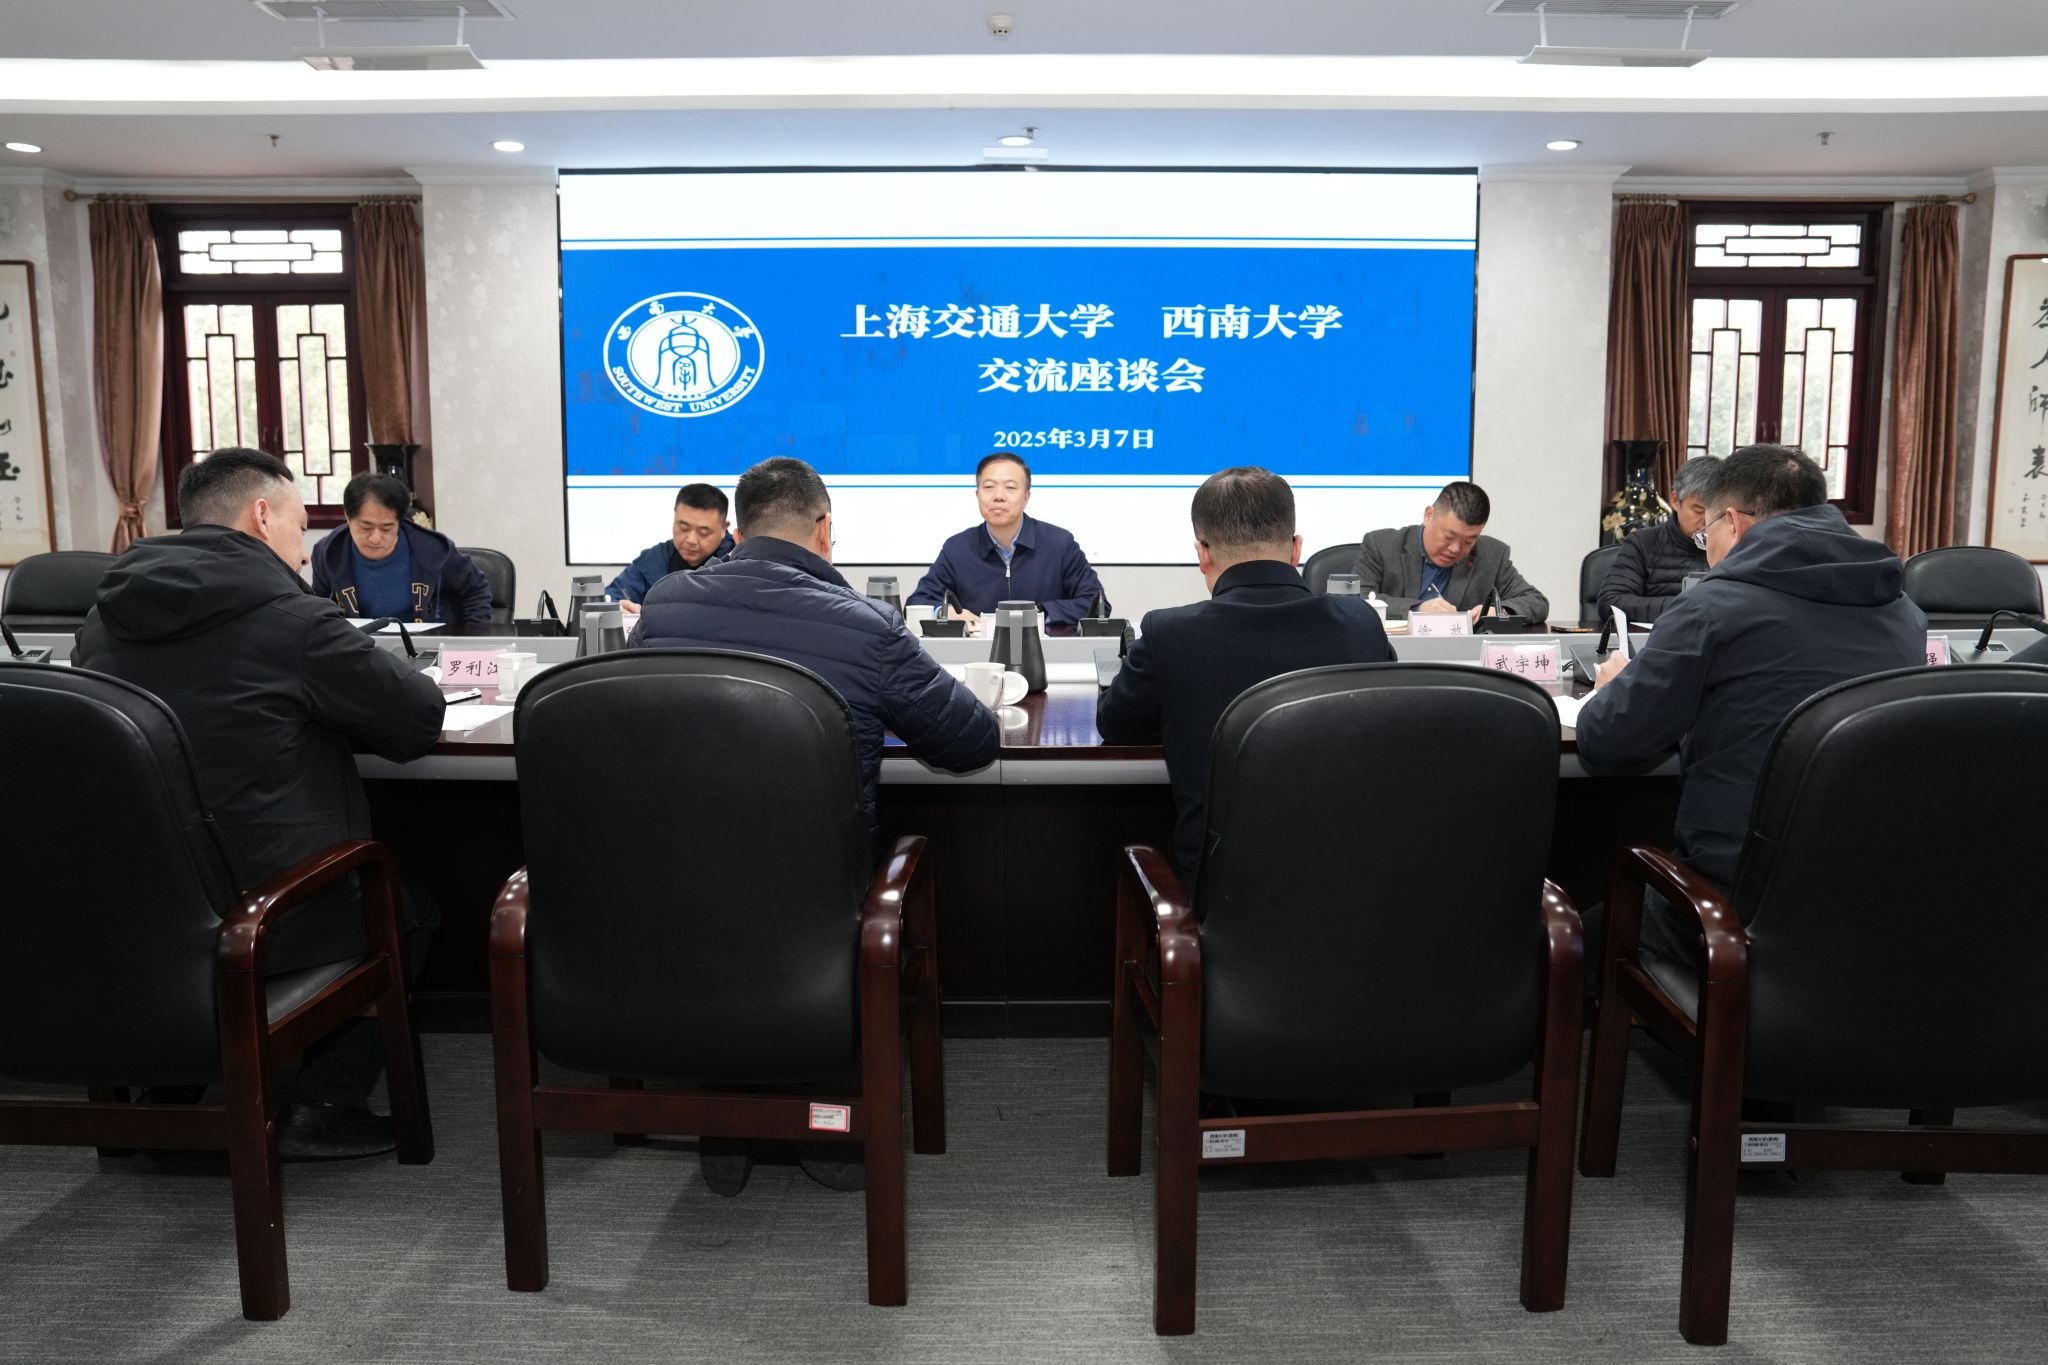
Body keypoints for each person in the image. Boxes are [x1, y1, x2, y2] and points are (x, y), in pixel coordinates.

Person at [632, 456, 1000, 1197]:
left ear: (736, 534)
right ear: (825, 529)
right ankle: (824, 1109)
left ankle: (726, 1112)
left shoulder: (665, 604)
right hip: (821, 905)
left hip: (685, 893)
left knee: (726, 889)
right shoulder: (866, 625)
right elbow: (970, 742)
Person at [72, 447, 446, 1160]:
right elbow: (415, 721)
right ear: (262, 515)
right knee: (410, 908)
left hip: (143, 907)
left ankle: (168, 1093)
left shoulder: (101, 621)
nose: (304, 553)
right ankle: (323, 1102)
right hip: (275, 910)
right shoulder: (293, 620)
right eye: (301, 528)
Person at [1573, 443, 1926, 970]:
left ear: (1733, 523)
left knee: (1568, 940)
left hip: (1733, 906)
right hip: (1865, 898)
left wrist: (1613, 687)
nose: (1705, 549)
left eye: (1706, 533)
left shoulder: (1712, 608)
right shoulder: (1903, 611)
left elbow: (1606, 740)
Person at [1097, 467, 1395, 893]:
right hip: (1355, 893)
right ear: (1296, 549)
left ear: (1202, 553)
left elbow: (1117, 724)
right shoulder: (1360, 623)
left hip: (1224, 902)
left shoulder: (1169, 633)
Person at [906, 453, 1108, 627]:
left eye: (1010, 487)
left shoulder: (1059, 544)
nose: (998, 496)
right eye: (988, 487)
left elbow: (1097, 605)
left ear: (1026, 497)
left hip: (1045, 652)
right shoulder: (957, 548)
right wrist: (943, 611)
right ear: (977, 494)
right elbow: (917, 602)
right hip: (976, 654)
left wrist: (1039, 613)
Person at [311, 472, 494, 627]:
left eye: (387, 528)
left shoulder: (434, 551)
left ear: (400, 522)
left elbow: (476, 589)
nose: (375, 538)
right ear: (347, 517)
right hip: (360, 649)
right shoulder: (328, 554)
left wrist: (472, 640)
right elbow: (319, 611)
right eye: (366, 527)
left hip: (427, 647)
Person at [1353, 480, 1549, 623]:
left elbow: (1536, 601)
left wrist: (1500, 611)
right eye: (1448, 536)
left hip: (1460, 660)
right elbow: (1354, 599)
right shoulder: (1381, 545)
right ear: (1429, 515)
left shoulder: (1492, 555)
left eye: (1468, 541)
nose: (1456, 549)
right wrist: (1416, 608)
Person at [1596, 456, 1720, 624]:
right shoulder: (1643, 543)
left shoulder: (1737, 545)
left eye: (1717, 512)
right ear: (1675, 501)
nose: (1708, 520)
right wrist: (1685, 607)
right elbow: (1611, 602)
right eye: (1699, 510)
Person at [606, 482, 735, 613]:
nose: (691, 540)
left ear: (724, 528)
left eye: (703, 532)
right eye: (683, 528)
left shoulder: (738, 561)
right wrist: (620, 608)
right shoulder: (653, 560)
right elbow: (611, 597)